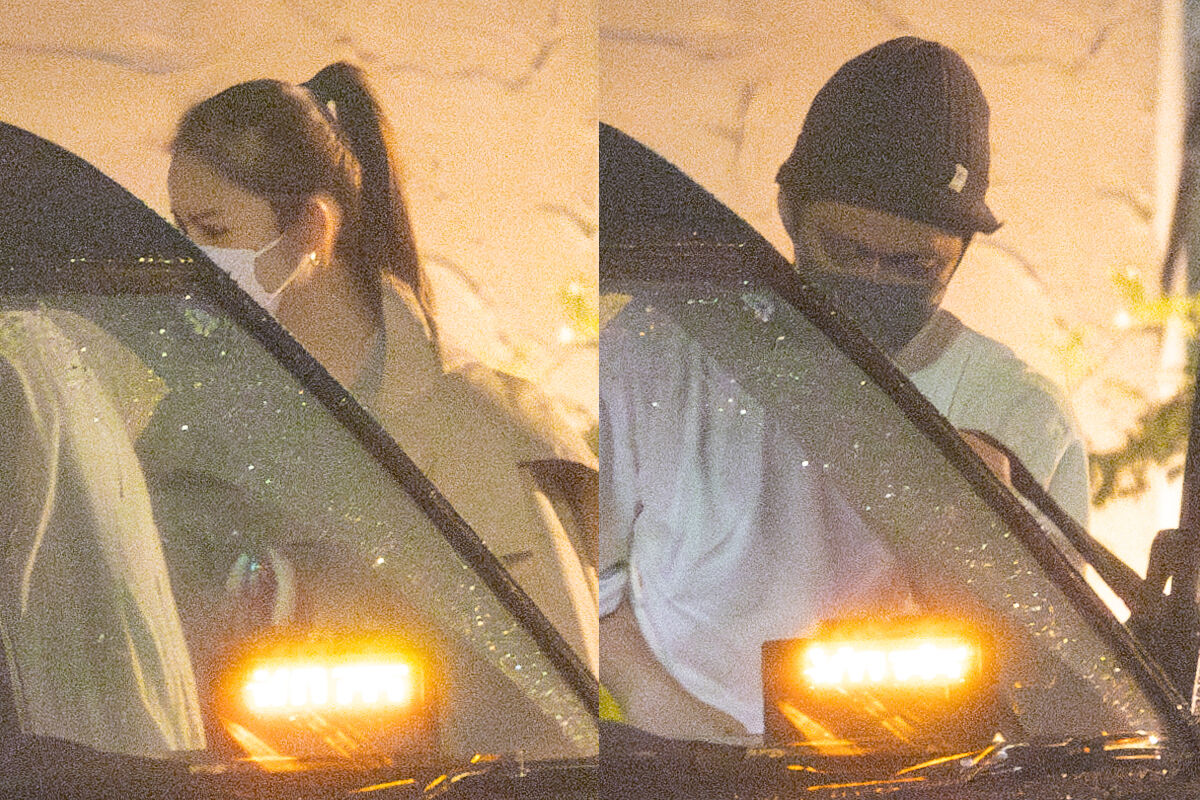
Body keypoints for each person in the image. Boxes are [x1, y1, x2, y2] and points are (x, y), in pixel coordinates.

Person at [599, 37, 1090, 741]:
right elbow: (593, 589)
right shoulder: (662, 352)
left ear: (962, 253)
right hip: (693, 759)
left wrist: (974, 542)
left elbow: (1051, 683)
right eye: (846, 250)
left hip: (925, 775)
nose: (873, 278)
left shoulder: (1020, 414)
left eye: (912, 265)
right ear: (788, 211)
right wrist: (689, 729)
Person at [167, 62, 598, 675]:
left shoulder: (489, 430)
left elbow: (555, 697)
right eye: (181, 232)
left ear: (310, 229)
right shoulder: (188, 433)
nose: (193, 261)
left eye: (213, 231)